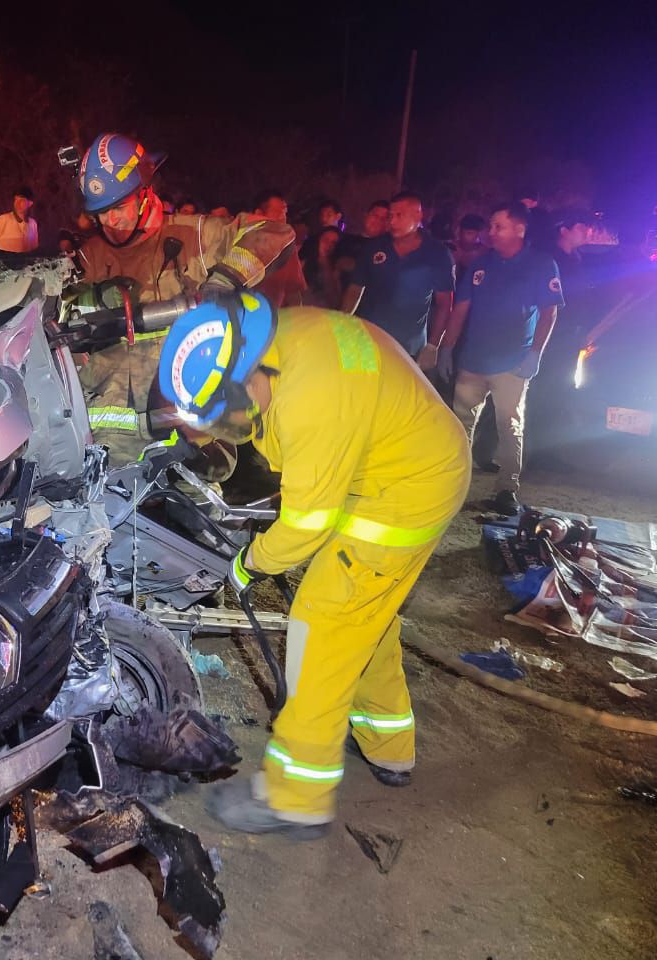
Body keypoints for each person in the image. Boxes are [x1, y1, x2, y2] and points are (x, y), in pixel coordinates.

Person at [156, 293, 469, 838]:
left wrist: (249, 563)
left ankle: (296, 797)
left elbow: (306, 525)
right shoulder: (284, 341)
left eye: (229, 408)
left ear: (249, 372)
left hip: (406, 490)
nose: (233, 423)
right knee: (364, 616)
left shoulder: (311, 396)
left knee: (321, 622)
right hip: (396, 466)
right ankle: (387, 744)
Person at [73, 132, 295, 466]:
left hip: (190, 430)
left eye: (118, 207)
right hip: (114, 434)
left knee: (193, 489)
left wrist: (225, 279)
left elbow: (275, 232)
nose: (110, 221)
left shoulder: (196, 235)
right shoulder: (89, 257)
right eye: (101, 212)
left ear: (145, 194)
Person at [433, 202, 564, 513]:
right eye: (490, 226)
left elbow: (549, 313)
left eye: (498, 226)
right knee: (461, 423)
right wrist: (447, 348)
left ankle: (507, 489)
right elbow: (460, 309)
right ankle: (453, 483)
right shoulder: (481, 264)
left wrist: (535, 354)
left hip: (513, 362)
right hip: (473, 360)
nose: (490, 232)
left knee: (509, 426)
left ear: (519, 229)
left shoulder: (541, 264)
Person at [341, 191, 455, 368]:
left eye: (399, 215)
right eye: (390, 216)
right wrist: (342, 321)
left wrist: (433, 345)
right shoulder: (375, 247)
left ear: (418, 215)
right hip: (367, 338)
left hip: (408, 346)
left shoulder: (437, 253)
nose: (392, 222)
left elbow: (444, 304)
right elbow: (355, 288)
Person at [242, 190, 307, 308]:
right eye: (278, 213)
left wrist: (298, 314)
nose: (283, 218)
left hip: (272, 316)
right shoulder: (236, 238)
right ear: (258, 213)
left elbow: (293, 291)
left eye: (285, 213)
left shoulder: (286, 246)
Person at [0, 187, 39, 253]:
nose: (17, 203)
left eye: (22, 200)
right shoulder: (4, 219)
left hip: (28, 259)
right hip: (7, 259)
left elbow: (35, 249)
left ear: (30, 203)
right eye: (16, 199)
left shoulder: (33, 223)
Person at [301, 226, 344, 308]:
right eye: (326, 240)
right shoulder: (303, 263)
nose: (328, 245)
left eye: (333, 243)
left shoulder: (338, 268)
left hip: (324, 312)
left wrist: (325, 262)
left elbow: (335, 301)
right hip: (302, 310)